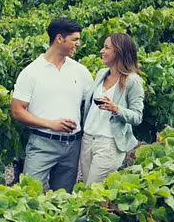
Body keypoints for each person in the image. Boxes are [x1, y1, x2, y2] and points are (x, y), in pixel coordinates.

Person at [11, 18, 93, 192]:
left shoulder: (81, 71)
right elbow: (17, 111)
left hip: (73, 145)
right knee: (29, 195)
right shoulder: (31, 72)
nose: (78, 44)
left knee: (63, 199)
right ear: (59, 39)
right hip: (42, 143)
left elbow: (93, 104)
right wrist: (51, 124)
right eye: (75, 39)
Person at [80, 33, 144, 184]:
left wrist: (117, 109)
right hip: (88, 139)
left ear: (119, 52)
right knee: (88, 190)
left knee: (92, 190)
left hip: (108, 143)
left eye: (106, 47)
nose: (102, 51)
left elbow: (137, 116)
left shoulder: (133, 81)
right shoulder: (102, 74)